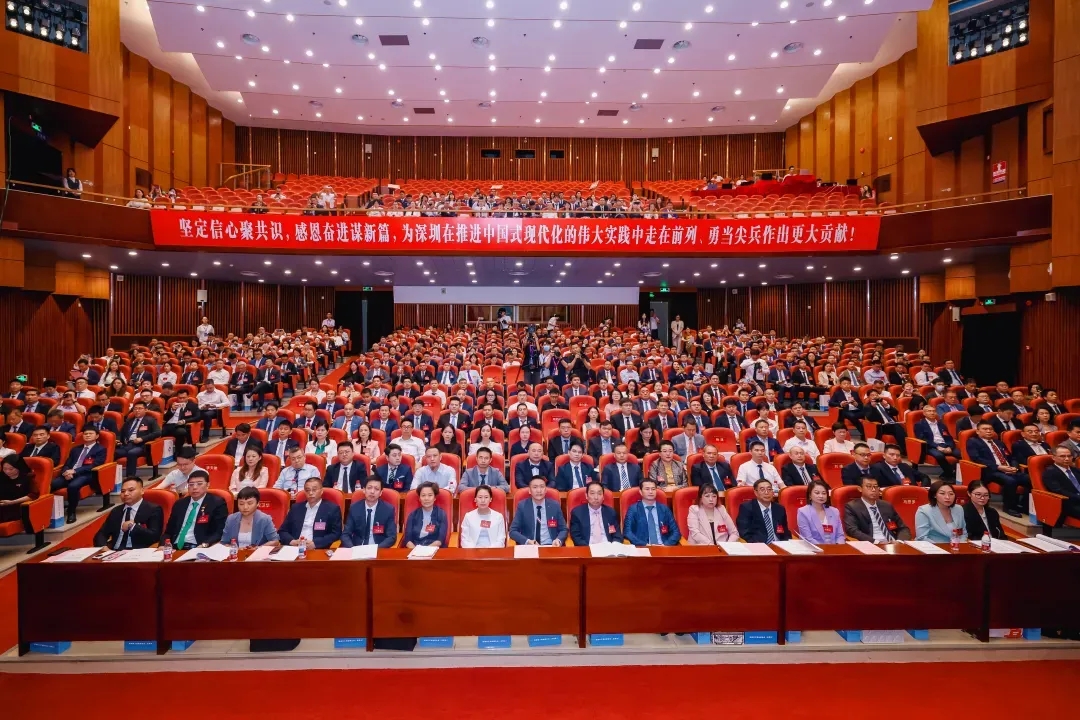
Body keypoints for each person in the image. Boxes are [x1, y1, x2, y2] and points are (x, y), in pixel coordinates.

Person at [965, 420, 1030, 517]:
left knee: (1030, 479)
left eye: (990, 429)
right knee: (1010, 481)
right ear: (978, 431)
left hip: (1008, 468)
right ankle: (1009, 507)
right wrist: (999, 467)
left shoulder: (999, 442)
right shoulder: (973, 442)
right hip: (990, 470)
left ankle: (1025, 506)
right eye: (985, 429)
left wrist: (1014, 467)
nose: (988, 431)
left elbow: (1011, 457)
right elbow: (977, 458)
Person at [53, 427, 107, 523]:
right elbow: (67, 463)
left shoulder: (100, 449)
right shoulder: (75, 449)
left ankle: (71, 511)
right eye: (85, 434)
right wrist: (65, 472)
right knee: (52, 484)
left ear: (97, 436)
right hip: (69, 473)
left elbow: (94, 465)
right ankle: (51, 511)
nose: (88, 435)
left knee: (73, 486)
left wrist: (75, 471)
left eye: (90, 433)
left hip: (86, 474)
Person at [163, 470, 227, 549]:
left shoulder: (216, 503)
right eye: (191, 484)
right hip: (174, 547)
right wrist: (162, 545)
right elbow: (169, 531)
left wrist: (205, 544)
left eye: (199, 484)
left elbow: (219, 531)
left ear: (208, 485)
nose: (195, 487)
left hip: (198, 546)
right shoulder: (180, 504)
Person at [842, 474, 911, 543]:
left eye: (875, 486)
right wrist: (877, 542)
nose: (873, 489)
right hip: (871, 544)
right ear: (860, 489)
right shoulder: (852, 507)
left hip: (893, 543)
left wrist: (899, 541)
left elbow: (903, 528)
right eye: (869, 486)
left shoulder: (886, 505)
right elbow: (852, 530)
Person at [278, 477, 342, 549]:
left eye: (314, 490)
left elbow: (336, 534)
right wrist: (292, 542)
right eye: (307, 490)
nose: (310, 493)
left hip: (317, 549)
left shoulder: (332, 509)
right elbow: (283, 531)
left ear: (321, 491)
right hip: (294, 548)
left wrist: (316, 544)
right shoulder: (296, 508)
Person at [508, 475, 567, 546]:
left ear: (545, 490)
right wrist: (527, 541)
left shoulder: (554, 505)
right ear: (529, 491)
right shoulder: (522, 506)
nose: (539, 490)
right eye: (535, 487)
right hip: (530, 546)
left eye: (542, 487)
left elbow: (563, 529)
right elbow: (513, 531)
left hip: (550, 545)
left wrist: (558, 540)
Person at [341, 476, 398, 548]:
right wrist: (352, 549)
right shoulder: (354, 508)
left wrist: (377, 549)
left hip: (378, 548)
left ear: (380, 493)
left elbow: (392, 536)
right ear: (364, 490)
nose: (372, 492)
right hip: (357, 548)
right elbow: (345, 534)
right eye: (369, 488)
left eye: (376, 489)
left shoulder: (388, 509)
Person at [735, 477, 791, 543]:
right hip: (758, 545)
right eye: (762, 490)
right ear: (756, 492)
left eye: (769, 489)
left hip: (779, 544)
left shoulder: (779, 508)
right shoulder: (747, 508)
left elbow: (785, 531)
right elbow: (744, 533)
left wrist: (787, 543)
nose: (766, 492)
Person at [569, 481, 622, 546]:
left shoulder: (611, 512)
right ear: (586, 496)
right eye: (592, 493)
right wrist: (589, 549)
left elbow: (617, 535)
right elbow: (576, 537)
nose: (596, 497)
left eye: (599, 494)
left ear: (603, 497)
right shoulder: (577, 513)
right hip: (588, 548)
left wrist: (614, 546)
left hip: (608, 548)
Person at [913, 405, 957, 482]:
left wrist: (950, 447)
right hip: (930, 446)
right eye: (929, 411)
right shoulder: (919, 424)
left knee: (962, 454)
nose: (932, 413)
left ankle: (946, 474)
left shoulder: (941, 424)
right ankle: (950, 474)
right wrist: (937, 447)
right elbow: (923, 439)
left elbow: (948, 437)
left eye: (933, 411)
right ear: (924, 413)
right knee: (939, 455)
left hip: (945, 445)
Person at [401, 481, 449, 548]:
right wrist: (415, 550)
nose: (426, 498)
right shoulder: (413, 515)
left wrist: (424, 551)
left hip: (434, 548)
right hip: (414, 548)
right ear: (419, 498)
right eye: (423, 495)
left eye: (430, 495)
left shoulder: (441, 514)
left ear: (435, 498)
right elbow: (408, 540)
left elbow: (439, 540)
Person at [1040, 444, 1080, 525]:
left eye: (1069, 456)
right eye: (1062, 456)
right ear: (1053, 457)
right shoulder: (1049, 472)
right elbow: (1059, 491)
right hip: (1069, 503)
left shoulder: (1075, 470)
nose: (1067, 459)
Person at [796, 480, 845, 544]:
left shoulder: (834, 511)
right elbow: (808, 538)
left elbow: (840, 535)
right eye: (817, 493)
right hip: (814, 548)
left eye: (824, 493)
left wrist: (838, 546)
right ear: (810, 495)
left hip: (834, 547)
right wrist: (823, 549)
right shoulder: (803, 512)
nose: (821, 496)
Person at [0, 456, 39, 526]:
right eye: (4, 468)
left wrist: (12, 502)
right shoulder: (1, 476)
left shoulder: (27, 477)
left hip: (18, 506)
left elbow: (33, 495)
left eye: (11, 469)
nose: (7, 471)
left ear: (18, 467)